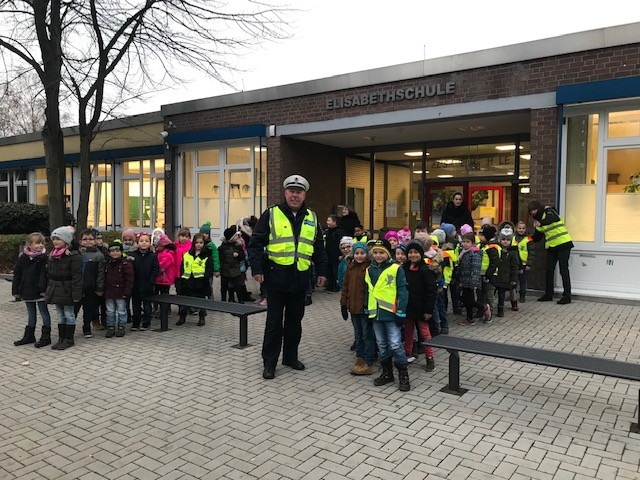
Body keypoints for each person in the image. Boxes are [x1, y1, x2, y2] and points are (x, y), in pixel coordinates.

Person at [248, 174, 327, 380]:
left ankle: (290, 357)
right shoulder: (271, 214)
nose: (295, 195)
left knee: (294, 322)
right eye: (291, 191)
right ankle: (270, 363)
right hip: (275, 279)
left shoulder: (312, 216)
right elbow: (256, 243)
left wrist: (323, 271)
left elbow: (319, 247)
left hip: (300, 280)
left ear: (304, 195)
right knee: (274, 323)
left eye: (298, 192)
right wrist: (257, 269)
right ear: (285, 193)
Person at [365, 239, 410, 391]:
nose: (378, 255)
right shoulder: (369, 269)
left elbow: (403, 291)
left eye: (381, 252)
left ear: (387, 253)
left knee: (395, 345)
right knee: (382, 345)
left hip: (391, 314)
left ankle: (403, 375)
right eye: (375, 252)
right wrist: (367, 307)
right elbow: (368, 291)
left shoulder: (396, 269)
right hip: (376, 314)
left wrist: (401, 311)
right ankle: (387, 373)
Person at [528, 200, 574, 304]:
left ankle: (567, 296)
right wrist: (527, 239)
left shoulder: (549, 211)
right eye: (531, 211)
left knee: (563, 270)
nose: (533, 212)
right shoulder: (538, 222)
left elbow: (554, 218)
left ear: (538, 208)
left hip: (563, 244)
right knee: (549, 270)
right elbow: (537, 237)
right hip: (552, 247)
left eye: (534, 210)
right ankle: (549, 294)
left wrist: (541, 222)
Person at [45, 226, 83, 350]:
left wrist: (77, 294)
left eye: (58, 239)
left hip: (68, 289)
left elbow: (77, 277)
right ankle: (61, 338)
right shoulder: (52, 255)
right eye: (54, 239)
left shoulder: (74, 256)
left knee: (69, 314)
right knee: (60, 315)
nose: (55, 241)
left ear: (66, 240)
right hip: (56, 289)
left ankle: (69, 339)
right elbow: (49, 274)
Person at [402, 240, 437, 372]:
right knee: (408, 332)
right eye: (410, 252)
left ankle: (430, 357)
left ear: (421, 254)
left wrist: (429, 310)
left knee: (425, 333)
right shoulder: (404, 269)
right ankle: (408, 353)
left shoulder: (425, 270)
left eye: (416, 252)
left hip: (422, 309)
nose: (413, 255)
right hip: (408, 307)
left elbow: (431, 292)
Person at [340, 242, 374, 375]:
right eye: (357, 253)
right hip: (353, 308)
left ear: (366, 254)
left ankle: (369, 360)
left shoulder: (370, 268)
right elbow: (345, 286)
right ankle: (359, 358)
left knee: (368, 335)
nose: (359, 256)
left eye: (362, 253)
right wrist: (343, 304)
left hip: (365, 308)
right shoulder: (350, 267)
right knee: (358, 334)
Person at [12, 232, 51, 347]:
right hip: (26, 289)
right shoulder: (23, 257)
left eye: (42, 243)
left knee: (44, 312)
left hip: (40, 291)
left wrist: (44, 289)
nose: (40, 245)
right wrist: (16, 290)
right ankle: (29, 335)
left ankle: (46, 336)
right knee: (31, 312)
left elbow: (46, 275)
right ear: (29, 244)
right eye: (37, 243)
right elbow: (17, 274)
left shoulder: (44, 258)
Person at [177, 232, 214, 326]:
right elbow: (182, 267)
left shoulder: (206, 255)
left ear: (203, 244)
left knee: (201, 302)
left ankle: (202, 318)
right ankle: (182, 317)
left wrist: (205, 276)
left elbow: (209, 269)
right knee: (185, 302)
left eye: (201, 242)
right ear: (194, 243)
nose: (198, 244)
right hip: (187, 282)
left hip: (200, 283)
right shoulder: (187, 255)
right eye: (197, 242)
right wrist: (182, 276)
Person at [77, 229, 105, 338]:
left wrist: (99, 288)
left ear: (95, 241)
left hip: (91, 286)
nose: (88, 241)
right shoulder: (77, 253)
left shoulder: (98, 255)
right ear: (80, 241)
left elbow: (101, 274)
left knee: (88, 309)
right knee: (74, 308)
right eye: (85, 239)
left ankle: (87, 328)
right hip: (78, 286)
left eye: (90, 239)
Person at [103, 241, 134, 338]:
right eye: (112, 251)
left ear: (121, 252)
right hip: (109, 291)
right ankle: (111, 327)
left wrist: (127, 292)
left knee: (121, 311)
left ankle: (121, 327)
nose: (114, 253)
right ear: (109, 253)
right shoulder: (107, 263)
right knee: (110, 311)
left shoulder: (126, 263)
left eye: (117, 251)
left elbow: (130, 279)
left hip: (121, 292)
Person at [130, 232, 159, 331]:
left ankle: (146, 322)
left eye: (146, 241)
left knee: (147, 306)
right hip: (135, 285)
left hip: (147, 285)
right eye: (141, 241)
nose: (144, 243)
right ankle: (136, 322)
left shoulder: (152, 256)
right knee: (136, 306)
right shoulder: (133, 255)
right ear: (137, 242)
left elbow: (155, 270)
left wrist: (151, 281)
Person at [457, 232, 486, 326]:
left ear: (472, 243)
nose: (465, 244)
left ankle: (483, 308)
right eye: (463, 241)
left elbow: (475, 268)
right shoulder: (463, 252)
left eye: (467, 242)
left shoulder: (474, 253)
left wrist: (473, 282)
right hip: (464, 279)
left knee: (468, 300)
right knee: (466, 299)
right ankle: (470, 318)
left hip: (470, 281)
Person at [495, 227, 520, 317]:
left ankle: (500, 309)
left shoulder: (513, 252)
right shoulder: (497, 250)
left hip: (505, 276)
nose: (505, 241)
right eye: (503, 239)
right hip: (496, 275)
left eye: (508, 240)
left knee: (502, 294)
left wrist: (514, 279)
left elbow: (515, 266)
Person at [477, 224, 499, 322]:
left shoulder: (492, 248)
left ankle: (490, 312)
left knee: (489, 295)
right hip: (480, 274)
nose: (479, 237)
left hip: (489, 276)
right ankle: (481, 310)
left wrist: (488, 275)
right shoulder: (480, 246)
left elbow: (494, 263)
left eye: (482, 235)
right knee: (480, 294)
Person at [219, 226, 246, 302]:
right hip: (225, 270)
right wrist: (219, 269)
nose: (237, 237)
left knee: (238, 286)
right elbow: (220, 259)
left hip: (236, 270)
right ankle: (225, 300)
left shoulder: (238, 246)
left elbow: (243, 256)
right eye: (235, 236)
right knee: (224, 286)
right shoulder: (222, 247)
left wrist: (238, 255)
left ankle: (241, 301)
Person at [513, 221, 535, 303]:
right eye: (519, 228)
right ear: (516, 229)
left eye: (523, 228)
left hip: (523, 264)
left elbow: (532, 252)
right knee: (513, 280)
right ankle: (513, 295)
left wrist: (529, 264)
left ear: (525, 229)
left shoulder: (528, 239)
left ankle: (522, 296)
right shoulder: (512, 238)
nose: (521, 230)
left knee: (522, 281)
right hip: (514, 263)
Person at [324, 214, 345, 292]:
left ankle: (336, 286)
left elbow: (342, 243)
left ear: (335, 222)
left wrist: (341, 254)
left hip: (336, 255)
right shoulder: (328, 231)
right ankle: (330, 285)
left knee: (335, 271)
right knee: (329, 271)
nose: (327, 222)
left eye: (329, 220)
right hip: (329, 254)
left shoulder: (339, 231)